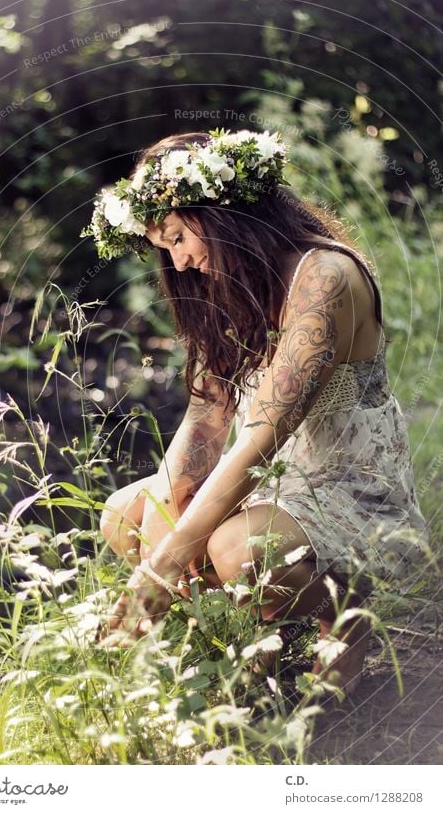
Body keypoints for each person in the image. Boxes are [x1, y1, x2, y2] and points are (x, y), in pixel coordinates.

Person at [83, 128, 428, 696]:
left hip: (345, 485)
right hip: (272, 484)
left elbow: (261, 435)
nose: (182, 259)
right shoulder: (227, 285)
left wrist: (170, 560)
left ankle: (348, 606)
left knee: (236, 551)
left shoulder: (324, 277)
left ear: (224, 211)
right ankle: (252, 642)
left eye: (177, 236)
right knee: (129, 515)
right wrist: (166, 518)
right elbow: (208, 417)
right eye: (164, 248)